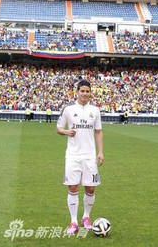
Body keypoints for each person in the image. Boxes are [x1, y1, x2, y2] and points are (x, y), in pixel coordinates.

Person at [57, 79, 104, 236]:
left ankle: (86, 217)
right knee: (73, 187)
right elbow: (58, 128)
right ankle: (73, 222)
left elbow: (98, 131)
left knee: (91, 187)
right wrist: (66, 132)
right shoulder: (69, 110)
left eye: (87, 91)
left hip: (89, 156)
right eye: (82, 91)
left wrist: (100, 152)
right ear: (76, 92)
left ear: (90, 93)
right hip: (73, 155)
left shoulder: (95, 110)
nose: (85, 94)